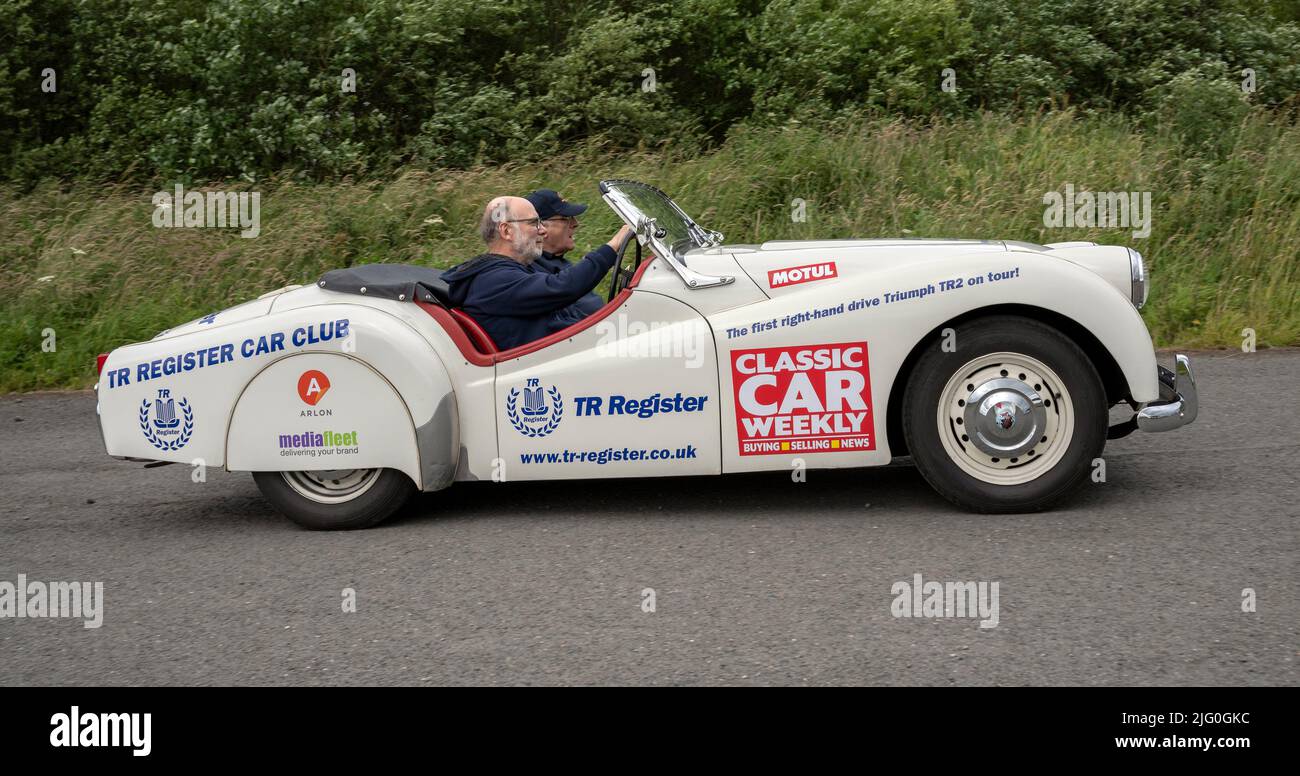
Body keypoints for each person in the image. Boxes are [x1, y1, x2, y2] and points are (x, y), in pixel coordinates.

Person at [442, 196, 632, 351]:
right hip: (546, 372)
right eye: (534, 223)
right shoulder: (492, 280)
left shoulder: (513, 271)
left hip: (572, 356)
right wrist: (613, 246)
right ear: (507, 231)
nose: (542, 230)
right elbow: (561, 287)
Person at [526, 188, 605, 316]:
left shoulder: (558, 263)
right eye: (565, 218)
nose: (575, 223)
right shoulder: (531, 273)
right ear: (540, 227)